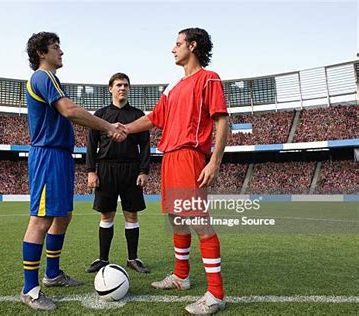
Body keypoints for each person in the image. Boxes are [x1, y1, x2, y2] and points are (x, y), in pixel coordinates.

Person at [123, 28, 229, 315]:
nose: (173, 49)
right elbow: (154, 119)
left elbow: (221, 122)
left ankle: (216, 294)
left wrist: (214, 161)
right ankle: (181, 277)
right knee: (176, 218)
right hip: (169, 156)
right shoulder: (172, 87)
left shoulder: (209, 79)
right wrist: (123, 129)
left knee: (198, 221)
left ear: (192, 46)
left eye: (178, 43)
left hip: (189, 155)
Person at [21, 31, 126, 311]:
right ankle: (29, 289)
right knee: (41, 219)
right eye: (56, 47)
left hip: (61, 156)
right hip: (47, 155)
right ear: (41, 53)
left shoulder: (52, 79)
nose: (62, 52)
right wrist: (108, 126)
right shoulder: (42, 77)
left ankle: (52, 274)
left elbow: (70, 111)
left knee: (63, 216)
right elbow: (69, 110)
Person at [85, 73, 151, 274]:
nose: (122, 88)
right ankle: (103, 258)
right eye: (118, 85)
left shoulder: (138, 115)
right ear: (110, 88)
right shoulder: (100, 114)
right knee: (107, 215)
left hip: (131, 169)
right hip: (106, 169)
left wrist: (144, 171)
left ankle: (133, 258)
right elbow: (91, 145)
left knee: (131, 215)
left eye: (126, 85)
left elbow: (145, 146)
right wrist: (91, 171)